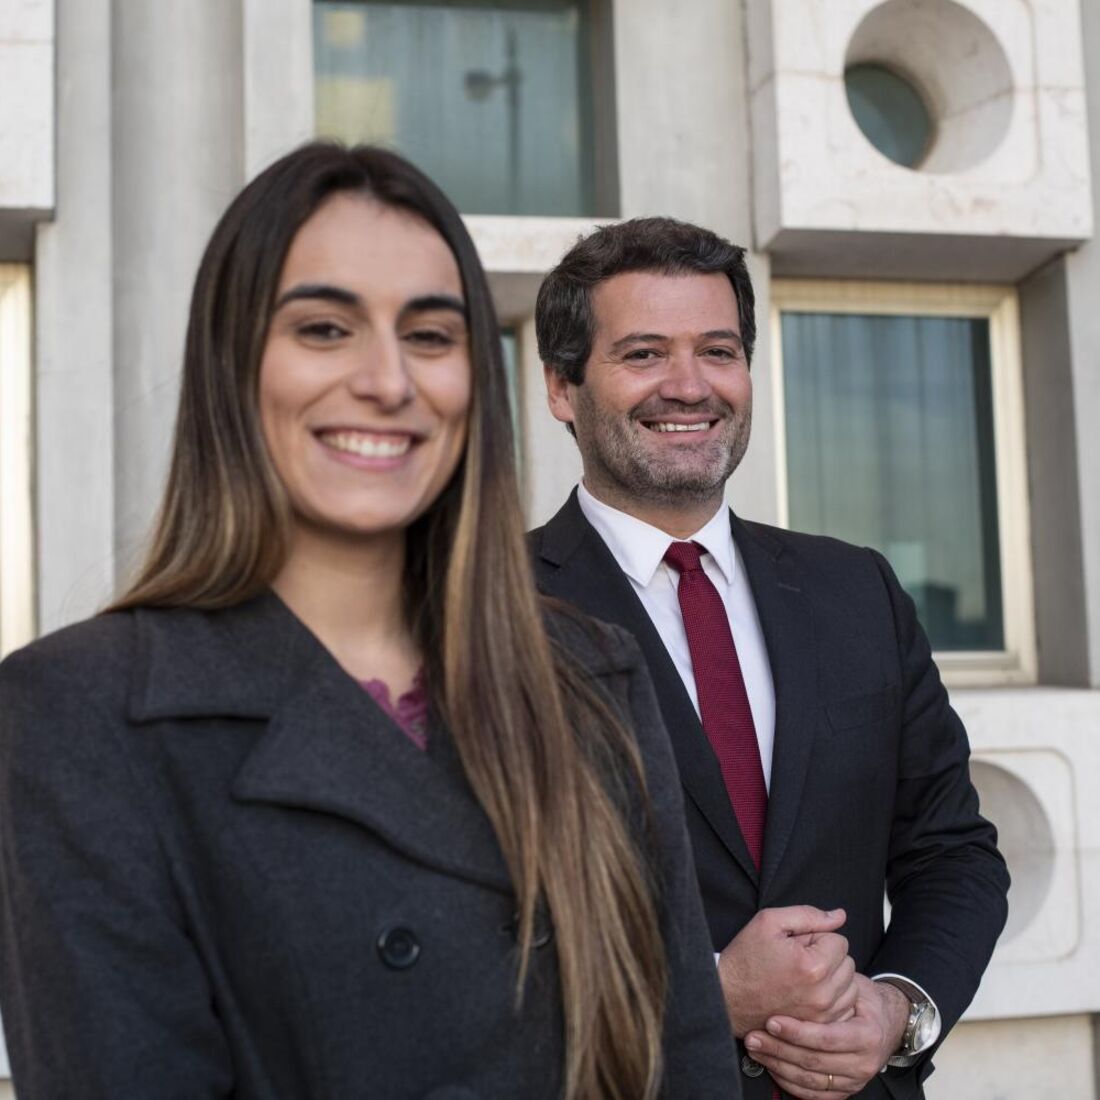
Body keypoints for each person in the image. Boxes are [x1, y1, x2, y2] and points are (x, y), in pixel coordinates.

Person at [0, 148, 741, 1100]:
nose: (387, 381)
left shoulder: (591, 675)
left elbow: (684, 1056)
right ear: (234, 363)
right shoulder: (79, 713)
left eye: (430, 336)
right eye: (324, 327)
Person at [529, 216, 1010, 1100]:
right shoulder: (486, 613)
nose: (689, 386)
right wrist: (707, 997)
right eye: (643, 354)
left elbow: (953, 854)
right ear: (563, 386)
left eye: (718, 350)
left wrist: (899, 1010)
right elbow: (451, 939)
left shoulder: (856, 589)